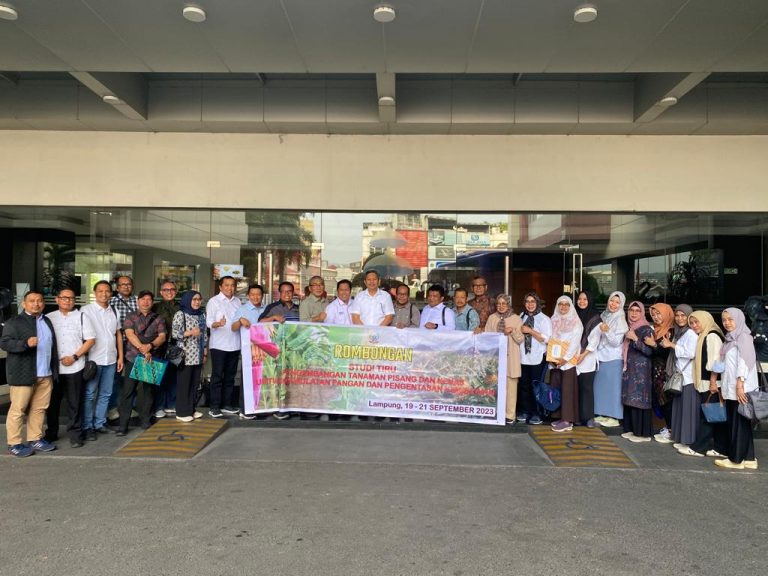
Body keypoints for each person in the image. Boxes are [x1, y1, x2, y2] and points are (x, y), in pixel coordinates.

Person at [1, 290, 59, 457]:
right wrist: (25, 343)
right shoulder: (14, 322)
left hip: (45, 373)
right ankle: (14, 443)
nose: (36, 304)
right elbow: (5, 343)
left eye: (39, 301)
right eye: (32, 301)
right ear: (24, 304)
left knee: (39, 409)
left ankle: (35, 439)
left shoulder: (46, 321)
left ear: (43, 303)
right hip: (23, 374)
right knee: (18, 410)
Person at [45, 288, 96, 447]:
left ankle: (75, 435)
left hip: (75, 367)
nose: (68, 301)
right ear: (57, 299)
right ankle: (51, 433)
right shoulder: (48, 318)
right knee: (52, 403)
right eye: (64, 298)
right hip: (53, 369)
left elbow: (90, 340)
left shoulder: (81, 316)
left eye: (71, 298)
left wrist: (74, 357)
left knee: (75, 403)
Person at [117, 290, 167, 435]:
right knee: (128, 392)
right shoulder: (131, 316)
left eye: (149, 299)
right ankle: (123, 425)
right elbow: (129, 334)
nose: (146, 302)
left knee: (148, 392)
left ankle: (146, 420)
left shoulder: (158, 318)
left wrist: (150, 346)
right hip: (133, 358)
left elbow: (162, 336)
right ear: (138, 301)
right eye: (143, 299)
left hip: (150, 358)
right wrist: (143, 348)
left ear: (152, 302)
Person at [714, 308, 759, 470]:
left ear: (739, 320)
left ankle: (736, 460)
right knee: (743, 423)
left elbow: (744, 363)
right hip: (732, 387)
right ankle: (749, 458)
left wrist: (740, 385)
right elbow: (724, 364)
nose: (727, 323)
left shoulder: (743, 337)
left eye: (730, 319)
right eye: (724, 320)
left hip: (740, 388)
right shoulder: (730, 339)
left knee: (738, 424)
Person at [679, 311, 727, 458]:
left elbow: (716, 362)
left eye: (697, 322)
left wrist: (713, 382)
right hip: (710, 383)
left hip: (712, 383)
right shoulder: (705, 335)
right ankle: (721, 448)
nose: (694, 326)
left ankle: (699, 448)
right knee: (716, 416)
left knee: (707, 416)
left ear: (705, 320)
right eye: (692, 323)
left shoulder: (711, 336)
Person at [81, 280, 124, 438]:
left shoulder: (114, 310)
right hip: (93, 360)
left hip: (111, 359)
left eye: (107, 291)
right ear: (94, 293)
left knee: (106, 393)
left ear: (111, 293)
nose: (104, 294)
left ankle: (100, 423)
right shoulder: (86, 310)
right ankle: (87, 426)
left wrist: (120, 356)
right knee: (89, 394)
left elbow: (118, 334)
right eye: (100, 291)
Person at [206, 276, 242, 418]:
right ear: (220, 287)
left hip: (235, 344)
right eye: (226, 285)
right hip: (219, 345)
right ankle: (214, 407)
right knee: (217, 377)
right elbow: (209, 322)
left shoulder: (238, 301)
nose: (230, 288)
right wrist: (218, 324)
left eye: (232, 285)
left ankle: (227, 404)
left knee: (230, 377)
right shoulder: (213, 301)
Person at [485, 294, 523, 424]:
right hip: (496, 358)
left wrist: (512, 331)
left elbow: (520, 339)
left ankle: (510, 415)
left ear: (508, 305)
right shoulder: (492, 318)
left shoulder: (516, 319)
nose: (501, 306)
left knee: (511, 388)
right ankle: (496, 412)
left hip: (510, 358)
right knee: (494, 386)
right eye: (498, 304)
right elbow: (487, 338)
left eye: (504, 303)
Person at [664, 304, 698, 450]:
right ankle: (680, 437)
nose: (679, 318)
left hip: (688, 377)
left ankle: (688, 440)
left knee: (687, 410)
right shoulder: (679, 333)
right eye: (677, 315)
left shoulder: (691, 333)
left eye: (683, 315)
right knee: (680, 408)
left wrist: (671, 345)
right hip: (680, 376)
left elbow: (691, 353)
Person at [619, 301, 654, 442]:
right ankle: (632, 429)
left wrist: (634, 338)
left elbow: (649, 351)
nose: (634, 313)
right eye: (631, 310)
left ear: (642, 313)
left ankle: (642, 434)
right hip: (630, 369)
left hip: (641, 371)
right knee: (630, 398)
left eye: (637, 311)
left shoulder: (646, 329)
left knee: (639, 399)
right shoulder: (629, 327)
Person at [593, 291, 629, 428]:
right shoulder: (604, 315)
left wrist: (607, 330)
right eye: (611, 301)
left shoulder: (621, 320)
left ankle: (615, 416)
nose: (613, 304)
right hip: (601, 356)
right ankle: (602, 413)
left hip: (613, 358)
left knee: (614, 389)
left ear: (621, 304)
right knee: (601, 387)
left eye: (617, 302)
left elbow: (615, 342)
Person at [231, 283, 267, 419]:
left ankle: (259, 408)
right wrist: (240, 320)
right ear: (248, 296)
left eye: (258, 294)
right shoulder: (242, 309)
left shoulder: (266, 309)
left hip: (263, 351)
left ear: (262, 296)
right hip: (248, 351)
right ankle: (245, 410)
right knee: (247, 381)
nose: (255, 297)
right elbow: (233, 328)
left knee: (261, 380)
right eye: (252, 294)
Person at [549, 295, 583, 432]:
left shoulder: (576, 321)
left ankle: (567, 420)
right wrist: (551, 357)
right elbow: (550, 338)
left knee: (568, 390)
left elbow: (575, 342)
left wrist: (565, 358)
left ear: (570, 306)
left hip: (568, 362)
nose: (563, 307)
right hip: (555, 360)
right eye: (560, 304)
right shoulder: (553, 319)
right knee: (557, 388)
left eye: (566, 304)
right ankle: (560, 416)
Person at [517, 292, 552, 425]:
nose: (530, 304)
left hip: (537, 358)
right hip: (523, 357)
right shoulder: (521, 316)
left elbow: (547, 339)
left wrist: (530, 331)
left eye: (533, 301)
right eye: (527, 301)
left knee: (536, 387)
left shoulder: (544, 319)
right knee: (524, 386)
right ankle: (525, 411)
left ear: (537, 303)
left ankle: (537, 413)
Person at [173, 291, 207, 423]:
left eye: (199, 299)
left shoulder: (201, 315)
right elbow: (175, 334)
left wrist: (205, 352)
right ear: (187, 300)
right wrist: (191, 332)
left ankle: (191, 409)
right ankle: (182, 412)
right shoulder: (180, 314)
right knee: (184, 384)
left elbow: (204, 335)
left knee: (194, 384)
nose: (197, 302)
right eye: (194, 299)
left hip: (198, 355)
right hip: (185, 356)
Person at [107, 275, 137, 420]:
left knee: (134, 376)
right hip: (115, 344)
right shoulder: (110, 301)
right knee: (114, 377)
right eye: (122, 284)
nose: (126, 286)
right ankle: (112, 408)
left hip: (135, 344)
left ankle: (132, 407)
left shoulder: (138, 300)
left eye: (128, 284)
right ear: (117, 287)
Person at [645, 303, 675, 443]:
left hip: (665, 372)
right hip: (656, 371)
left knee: (666, 401)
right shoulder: (656, 330)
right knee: (660, 401)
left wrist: (653, 344)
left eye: (659, 314)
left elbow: (667, 354)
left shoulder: (671, 331)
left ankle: (671, 430)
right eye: (653, 315)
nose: (656, 317)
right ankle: (668, 428)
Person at [152, 280, 180, 419]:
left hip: (176, 347)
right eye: (166, 290)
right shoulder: (155, 307)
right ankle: (158, 407)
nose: (169, 292)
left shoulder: (181, 307)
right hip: (159, 347)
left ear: (176, 291)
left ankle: (171, 404)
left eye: (172, 289)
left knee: (174, 376)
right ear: (161, 292)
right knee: (159, 377)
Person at [574, 291, 601, 427]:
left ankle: (589, 418)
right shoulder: (573, 315)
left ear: (589, 301)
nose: (582, 301)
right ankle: (577, 417)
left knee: (587, 388)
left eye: (585, 299)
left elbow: (594, 340)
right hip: (573, 357)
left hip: (587, 357)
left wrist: (583, 355)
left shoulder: (595, 318)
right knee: (576, 388)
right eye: (579, 299)